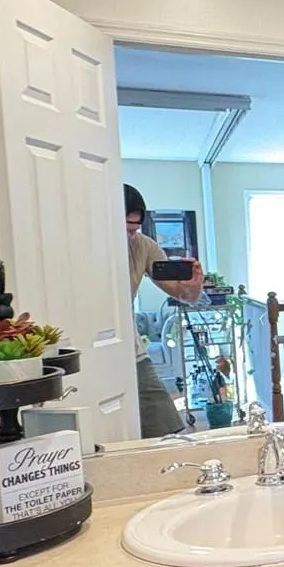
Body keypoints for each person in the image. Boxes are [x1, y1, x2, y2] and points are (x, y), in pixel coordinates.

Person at [124, 183, 203, 436]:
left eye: (134, 229)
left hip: (131, 351)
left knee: (162, 423)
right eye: (125, 229)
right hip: (87, 352)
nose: (130, 236)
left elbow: (184, 295)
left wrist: (193, 286)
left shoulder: (144, 246)